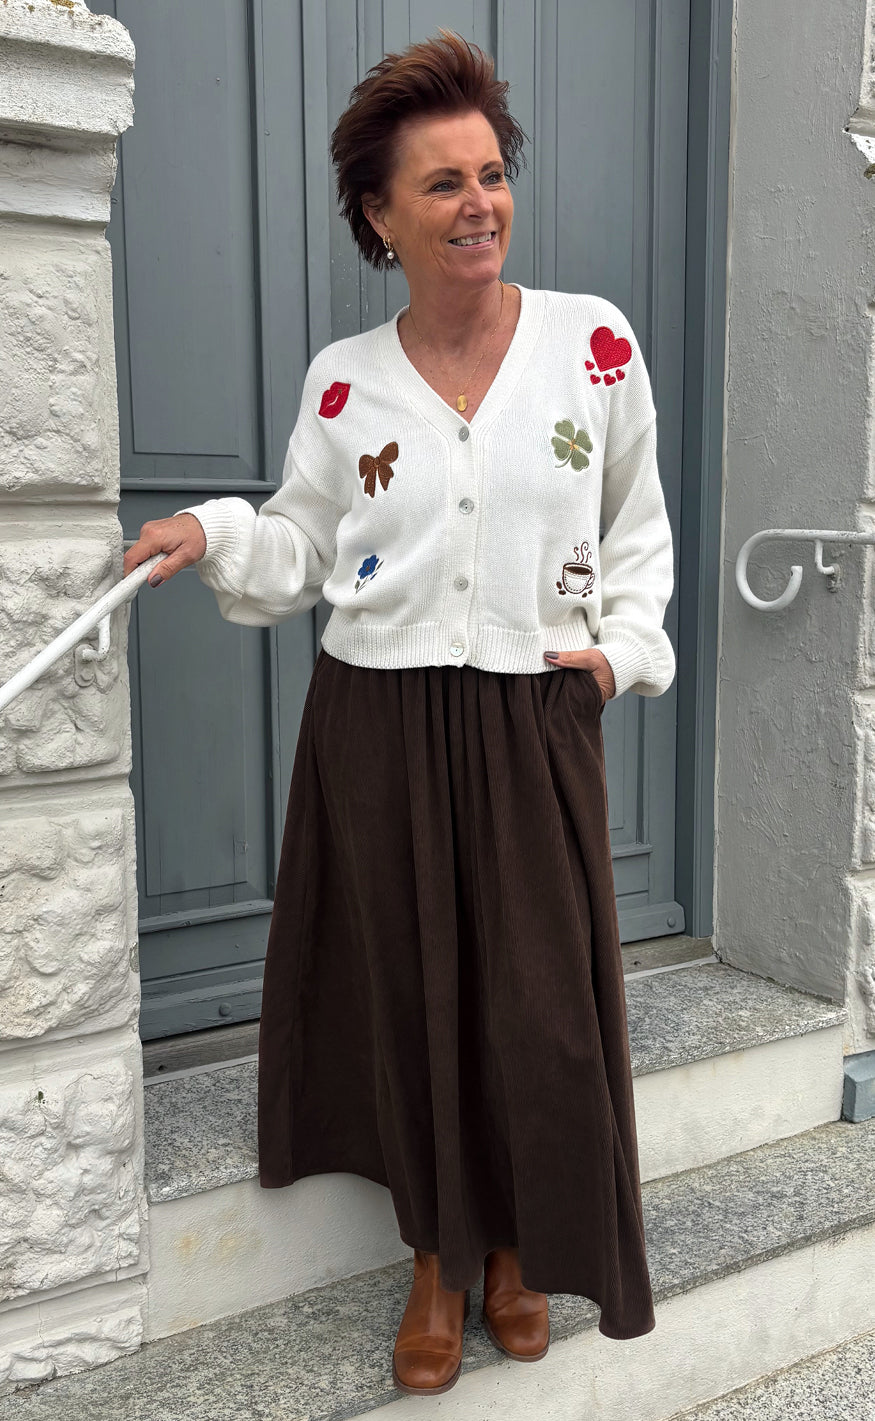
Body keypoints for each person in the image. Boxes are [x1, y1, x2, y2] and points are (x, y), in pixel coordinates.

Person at [124, 28, 675, 1398]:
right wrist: (213, 532)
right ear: (380, 216)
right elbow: (305, 547)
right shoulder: (344, 379)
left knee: (539, 1010)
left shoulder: (593, 343)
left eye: (492, 174)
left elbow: (637, 524)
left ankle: (520, 1246)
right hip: (375, 724)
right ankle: (438, 1256)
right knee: (414, 999)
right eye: (442, 183)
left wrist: (620, 655)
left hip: (534, 719)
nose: (479, 204)